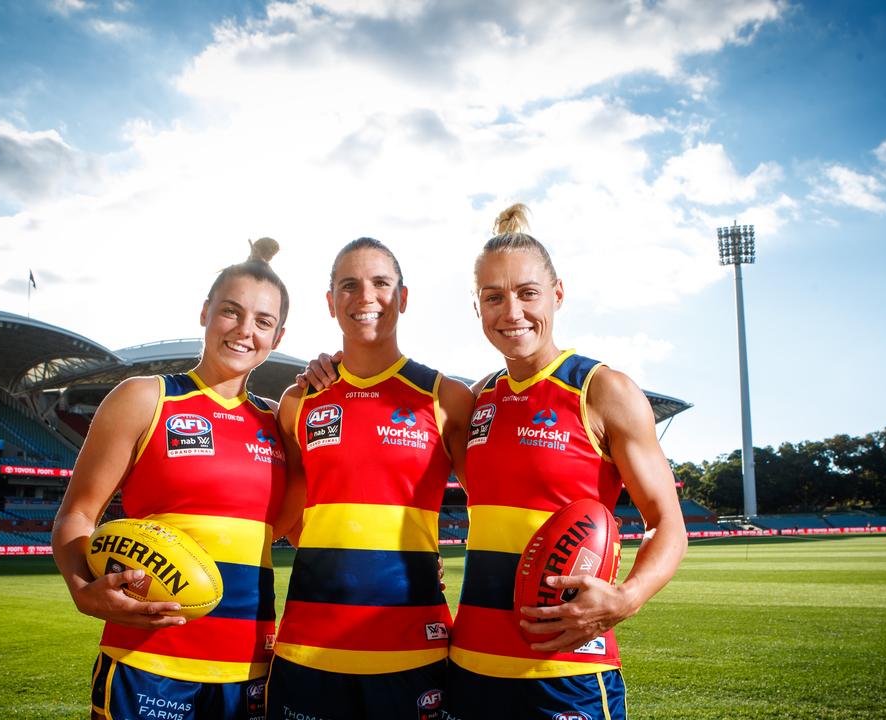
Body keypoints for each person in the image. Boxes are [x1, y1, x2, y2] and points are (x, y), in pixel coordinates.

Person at [443, 204, 687, 720]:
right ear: (477, 307)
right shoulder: (475, 400)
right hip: (469, 669)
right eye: (494, 297)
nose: (512, 312)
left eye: (527, 293)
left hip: (565, 672)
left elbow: (668, 524)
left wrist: (626, 598)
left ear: (557, 293)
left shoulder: (603, 390)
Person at [52, 239, 295, 720]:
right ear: (205, 312)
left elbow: (298, 526)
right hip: (147, 660)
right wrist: (82, 587)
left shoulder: (279, 422)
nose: (245, 331)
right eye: (231, 312)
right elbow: (77, 513)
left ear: (279, 336)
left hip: (249, 670)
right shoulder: (145, 398)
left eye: (263, 322)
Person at [267, 238, 473, 720]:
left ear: (402, 297)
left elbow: (496, 496)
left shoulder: (446, 398)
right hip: (308, 649)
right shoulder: (299, 402)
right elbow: (290, 517)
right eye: (349, 285)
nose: (366, 297)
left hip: (414, 652)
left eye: (381, 283)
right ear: (331, 302)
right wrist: (347, 562)